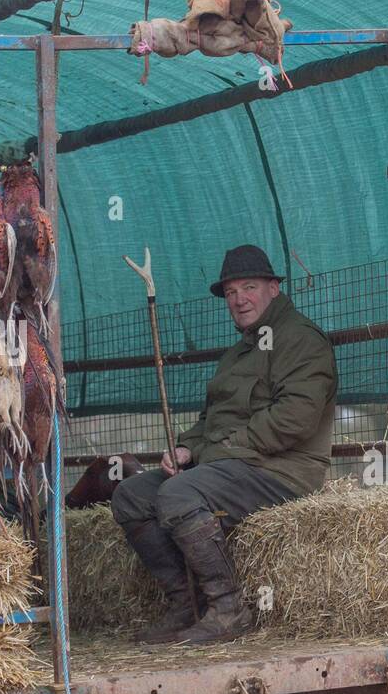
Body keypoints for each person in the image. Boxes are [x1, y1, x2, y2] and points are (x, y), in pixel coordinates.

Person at [112, 245, 337, 645]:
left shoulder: (300, 340)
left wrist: (213, 454)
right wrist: (185, 449)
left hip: (281, 471)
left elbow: (295, 419)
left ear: (273, 288)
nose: (238, 299)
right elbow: (212, 420)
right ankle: (187, 606)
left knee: (179, 493)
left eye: (248, 287)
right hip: (230, 465)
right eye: (231, 293)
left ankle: (230, 607)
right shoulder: (239, 352)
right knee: (131, 495)